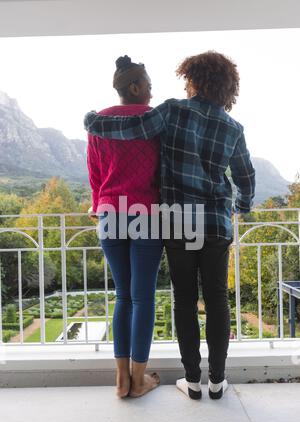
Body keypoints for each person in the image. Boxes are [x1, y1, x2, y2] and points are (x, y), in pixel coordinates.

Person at [84, 51, 256, 401]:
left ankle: (191, 382)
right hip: (212, 223)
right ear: (227, 88)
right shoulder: (233, 127)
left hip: (177, 220)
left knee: (183, 301)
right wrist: (240, 207)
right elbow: (245, 177)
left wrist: (92, 121)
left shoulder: (174, 110)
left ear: (192, 79)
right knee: (217, 300)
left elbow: (133, 128)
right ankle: (217, 382)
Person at [86, 56, 163, 399]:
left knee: (123, 296)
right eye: (147, 82)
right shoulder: (154, 120)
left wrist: (98, 204)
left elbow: (95, 175)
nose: (151, 88)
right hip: (146, 213)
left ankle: (120, 381)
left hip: (108, 213)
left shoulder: (98, 123)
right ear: (134, 86)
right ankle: (139, 379)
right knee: (143, 298)